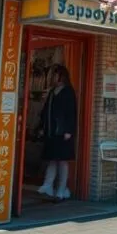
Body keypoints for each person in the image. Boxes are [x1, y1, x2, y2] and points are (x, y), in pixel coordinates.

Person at [37, 64, 77, 200]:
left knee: (62, 161)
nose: (53, 77)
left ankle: (61, 189)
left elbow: (71, 113)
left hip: (63, 132)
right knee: (52, 159)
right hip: (51, 131)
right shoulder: (52, 92)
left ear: (62, 76)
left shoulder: (68, 92)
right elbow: (45, 112)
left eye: (55, 74)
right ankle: (48, 185)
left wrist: (69, 130)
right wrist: (42, 127)